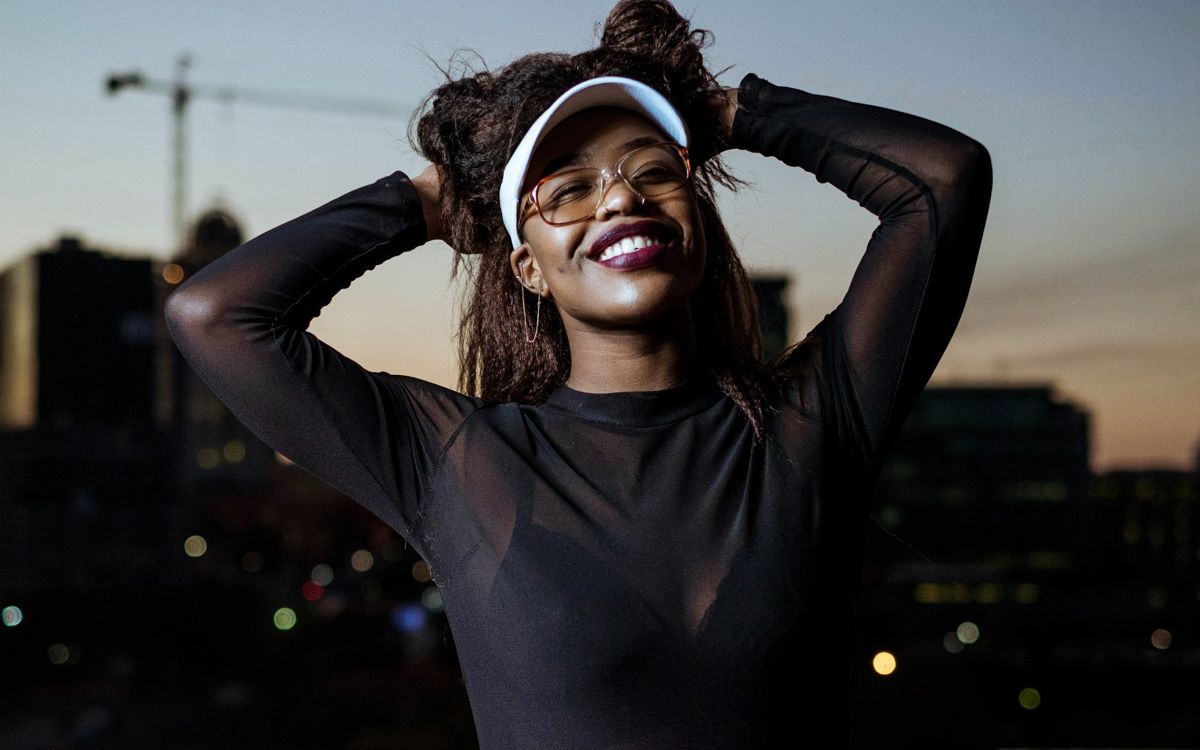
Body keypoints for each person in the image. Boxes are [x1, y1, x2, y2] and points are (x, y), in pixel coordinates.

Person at [164, 0, 992, 746]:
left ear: (700, 223)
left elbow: (943, 182)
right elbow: (215, 315)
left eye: (653, 170)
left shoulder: (812, 421)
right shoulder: (458, 462)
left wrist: (728, 111)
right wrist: (428, 200)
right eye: (566, 191)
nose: (619, 200)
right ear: (527, 267)